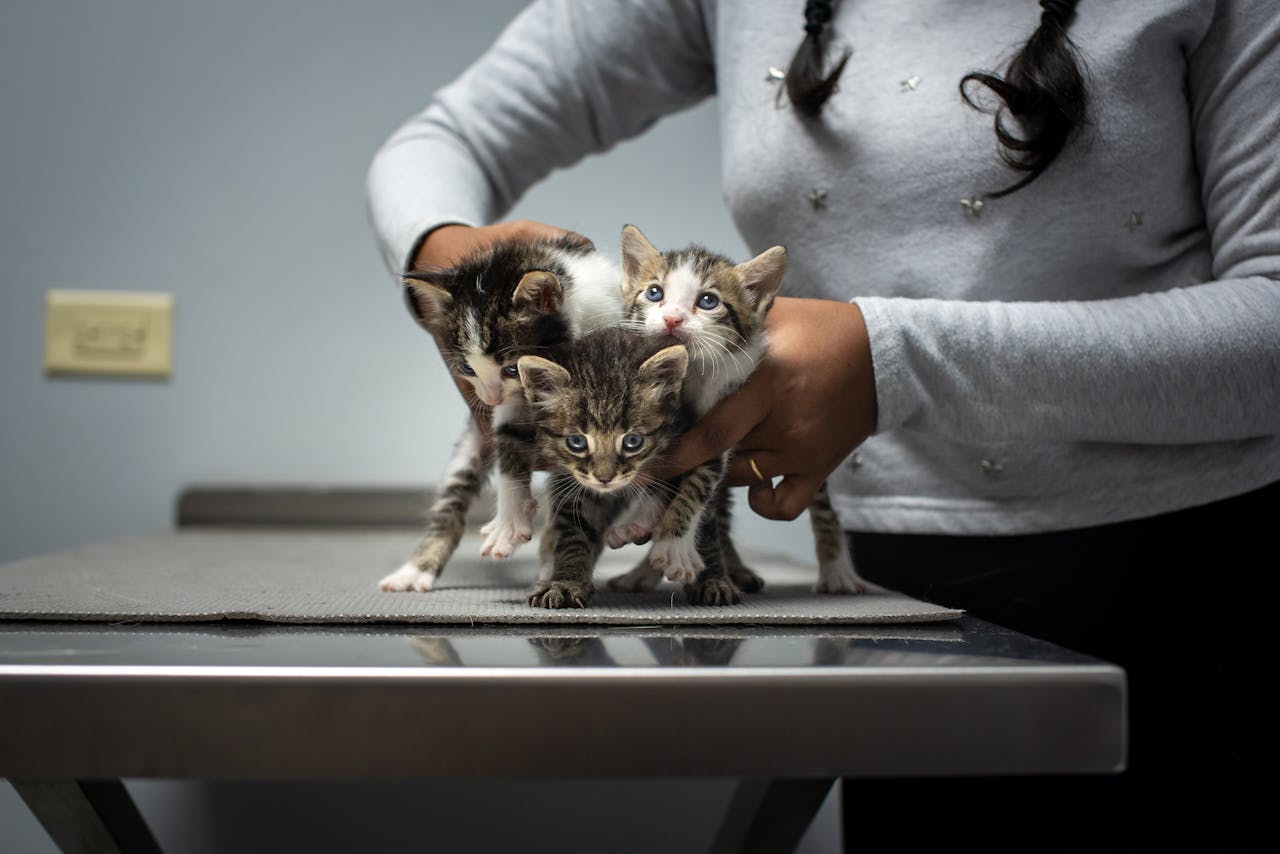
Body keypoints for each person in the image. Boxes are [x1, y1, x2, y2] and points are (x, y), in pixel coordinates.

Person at [367, 1, 1279, 849]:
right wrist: (459, 284)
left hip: (1192, 584)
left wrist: (891, 360)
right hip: (880, 603)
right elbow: (442, 140)